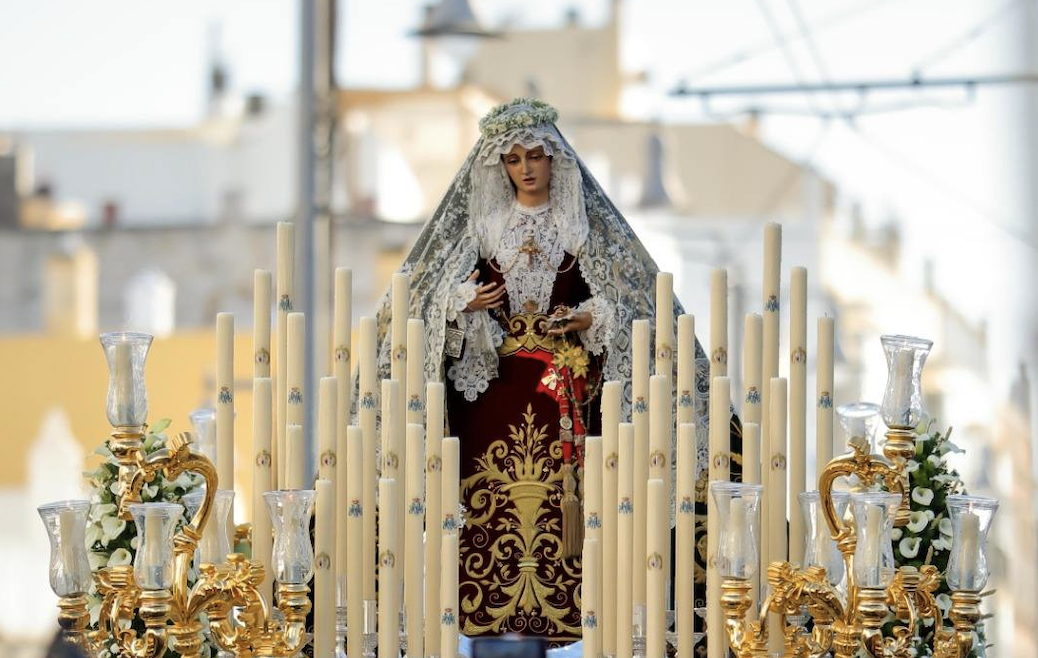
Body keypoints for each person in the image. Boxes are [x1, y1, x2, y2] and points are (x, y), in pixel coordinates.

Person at [370, 98, 740, 645]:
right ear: (500, 167)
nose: (525, 168)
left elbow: (628, 303)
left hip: (562, 398)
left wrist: (584, 316)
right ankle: (487, 619)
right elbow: (423, 302)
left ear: (554, 162)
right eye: (514, 158)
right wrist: (464, 303)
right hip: (489, 400)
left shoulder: (581, 232)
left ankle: (569, 619)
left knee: (568, 516)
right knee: (484, 515)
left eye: (536, 156)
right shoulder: (481, 232)